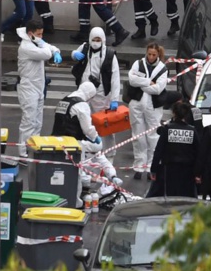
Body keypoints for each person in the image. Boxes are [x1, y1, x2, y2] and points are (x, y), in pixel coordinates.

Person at [51, 81, 123, 208]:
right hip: (72, 144)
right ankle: (76, 204)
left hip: (56, 141)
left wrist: (112, 176)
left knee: (57, 172)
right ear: (90, 95)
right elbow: (87, 128)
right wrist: (96, 138)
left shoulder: (64, 100)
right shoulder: (82, 105)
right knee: (75, 175)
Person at [71, 27, 120, 163]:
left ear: (103, 40)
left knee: (105, 126)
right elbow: (74, 53)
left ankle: (109, 153)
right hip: (85, 93)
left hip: (102, 95)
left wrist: (114, 99)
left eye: (98, 40)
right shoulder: (86, 48)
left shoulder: (109, 55)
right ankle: (90, 152)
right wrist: (75, 54)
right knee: (86, 123)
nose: (95, 42)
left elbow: (115, 78)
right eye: (94, 39)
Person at [17, 20, 62, 158]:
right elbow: (47, 53)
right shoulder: (26, 47)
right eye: (39, 34)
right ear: (30, 34)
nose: (41, 37)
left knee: (37, 121)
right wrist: (50, 50)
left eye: (42, 34)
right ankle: (23, 152)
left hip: (38, 87)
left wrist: (56, 51)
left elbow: (50, 48)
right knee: (28, 121)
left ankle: (34, 147)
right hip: (28, 88)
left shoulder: (35, 42)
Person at [127, 43, 168, 180]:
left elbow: (157, 89)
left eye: (154, 55)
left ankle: (151, 166)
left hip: (153, 106)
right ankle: (139, 166)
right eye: (149, 54)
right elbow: (131, 80)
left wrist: (141, 84)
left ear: (158, 55)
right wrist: (148, 82)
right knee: (138, 136)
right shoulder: (138, 64)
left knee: (153, 137)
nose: (151, 57)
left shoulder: (162, 69)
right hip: (136, 104)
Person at [149, 102, 200, 197]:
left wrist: (154, 169)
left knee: (170, 196)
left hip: (169, 170)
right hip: (187, 171)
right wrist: (198, 172)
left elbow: (158, 151)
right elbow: (198, 153)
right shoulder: (192, 130)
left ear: (174, 113)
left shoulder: (167, 129)